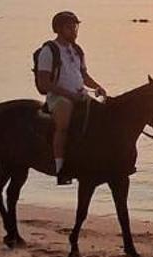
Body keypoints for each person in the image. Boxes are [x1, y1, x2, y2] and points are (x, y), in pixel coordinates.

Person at [33, 11, 107, 184]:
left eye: (75, 27)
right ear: (58, 29)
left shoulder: (77, 50)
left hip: (79, 95)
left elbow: (84, 75)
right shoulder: (49, 51)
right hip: (59, 97)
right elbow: (44, 83)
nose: (74, 31)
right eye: (70, 27)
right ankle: (61, 169)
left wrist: (97, 87)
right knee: (63, 125)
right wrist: (70, 95)